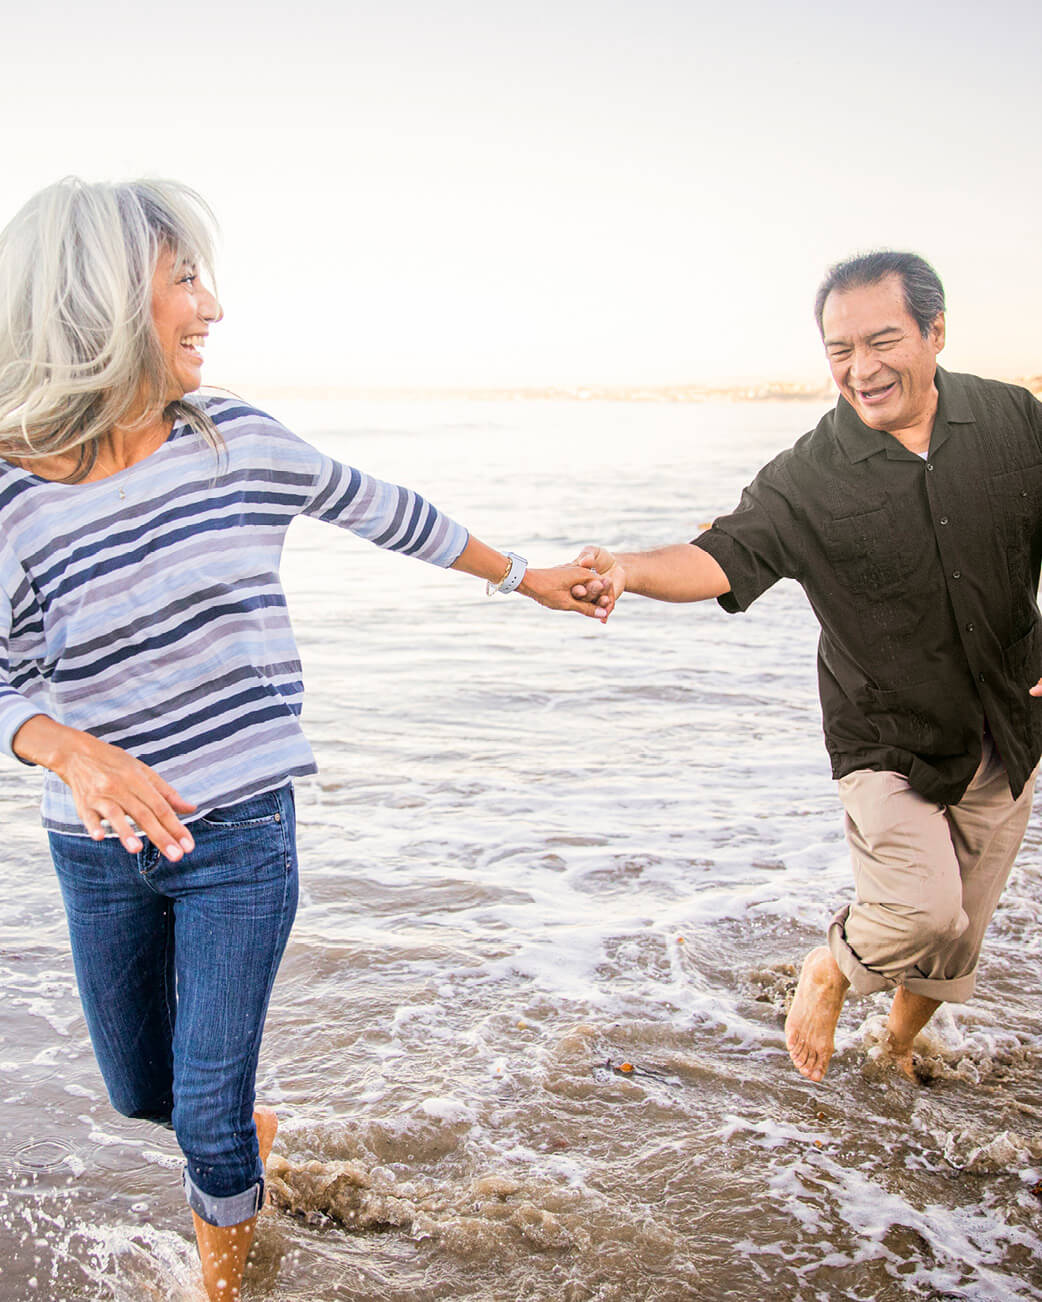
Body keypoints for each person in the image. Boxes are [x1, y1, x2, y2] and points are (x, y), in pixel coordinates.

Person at [0, 177, 606, 1301]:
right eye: (185, 280)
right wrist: (67, 749)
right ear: (95, 301)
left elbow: (381, 508)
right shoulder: (12, 495)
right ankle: (234, 1131)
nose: (213, 307)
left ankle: (223, 1280)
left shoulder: (232, 439)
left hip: (240, 837)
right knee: (145, 1095)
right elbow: (5, 678)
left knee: (209, 1114)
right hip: (96, 847)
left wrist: (526, 578)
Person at [571, 250, 1042, 1085]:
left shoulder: (1014, 421)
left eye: (881, 341)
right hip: (886, 734)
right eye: (838, 350)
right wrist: (629, 571)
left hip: (1007, 722)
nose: (860, 370)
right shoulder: (809, 475)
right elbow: (724, 554)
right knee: (920, 910)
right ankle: (829, 968)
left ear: (935, 332)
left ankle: (896, 1046)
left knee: (957, 930)